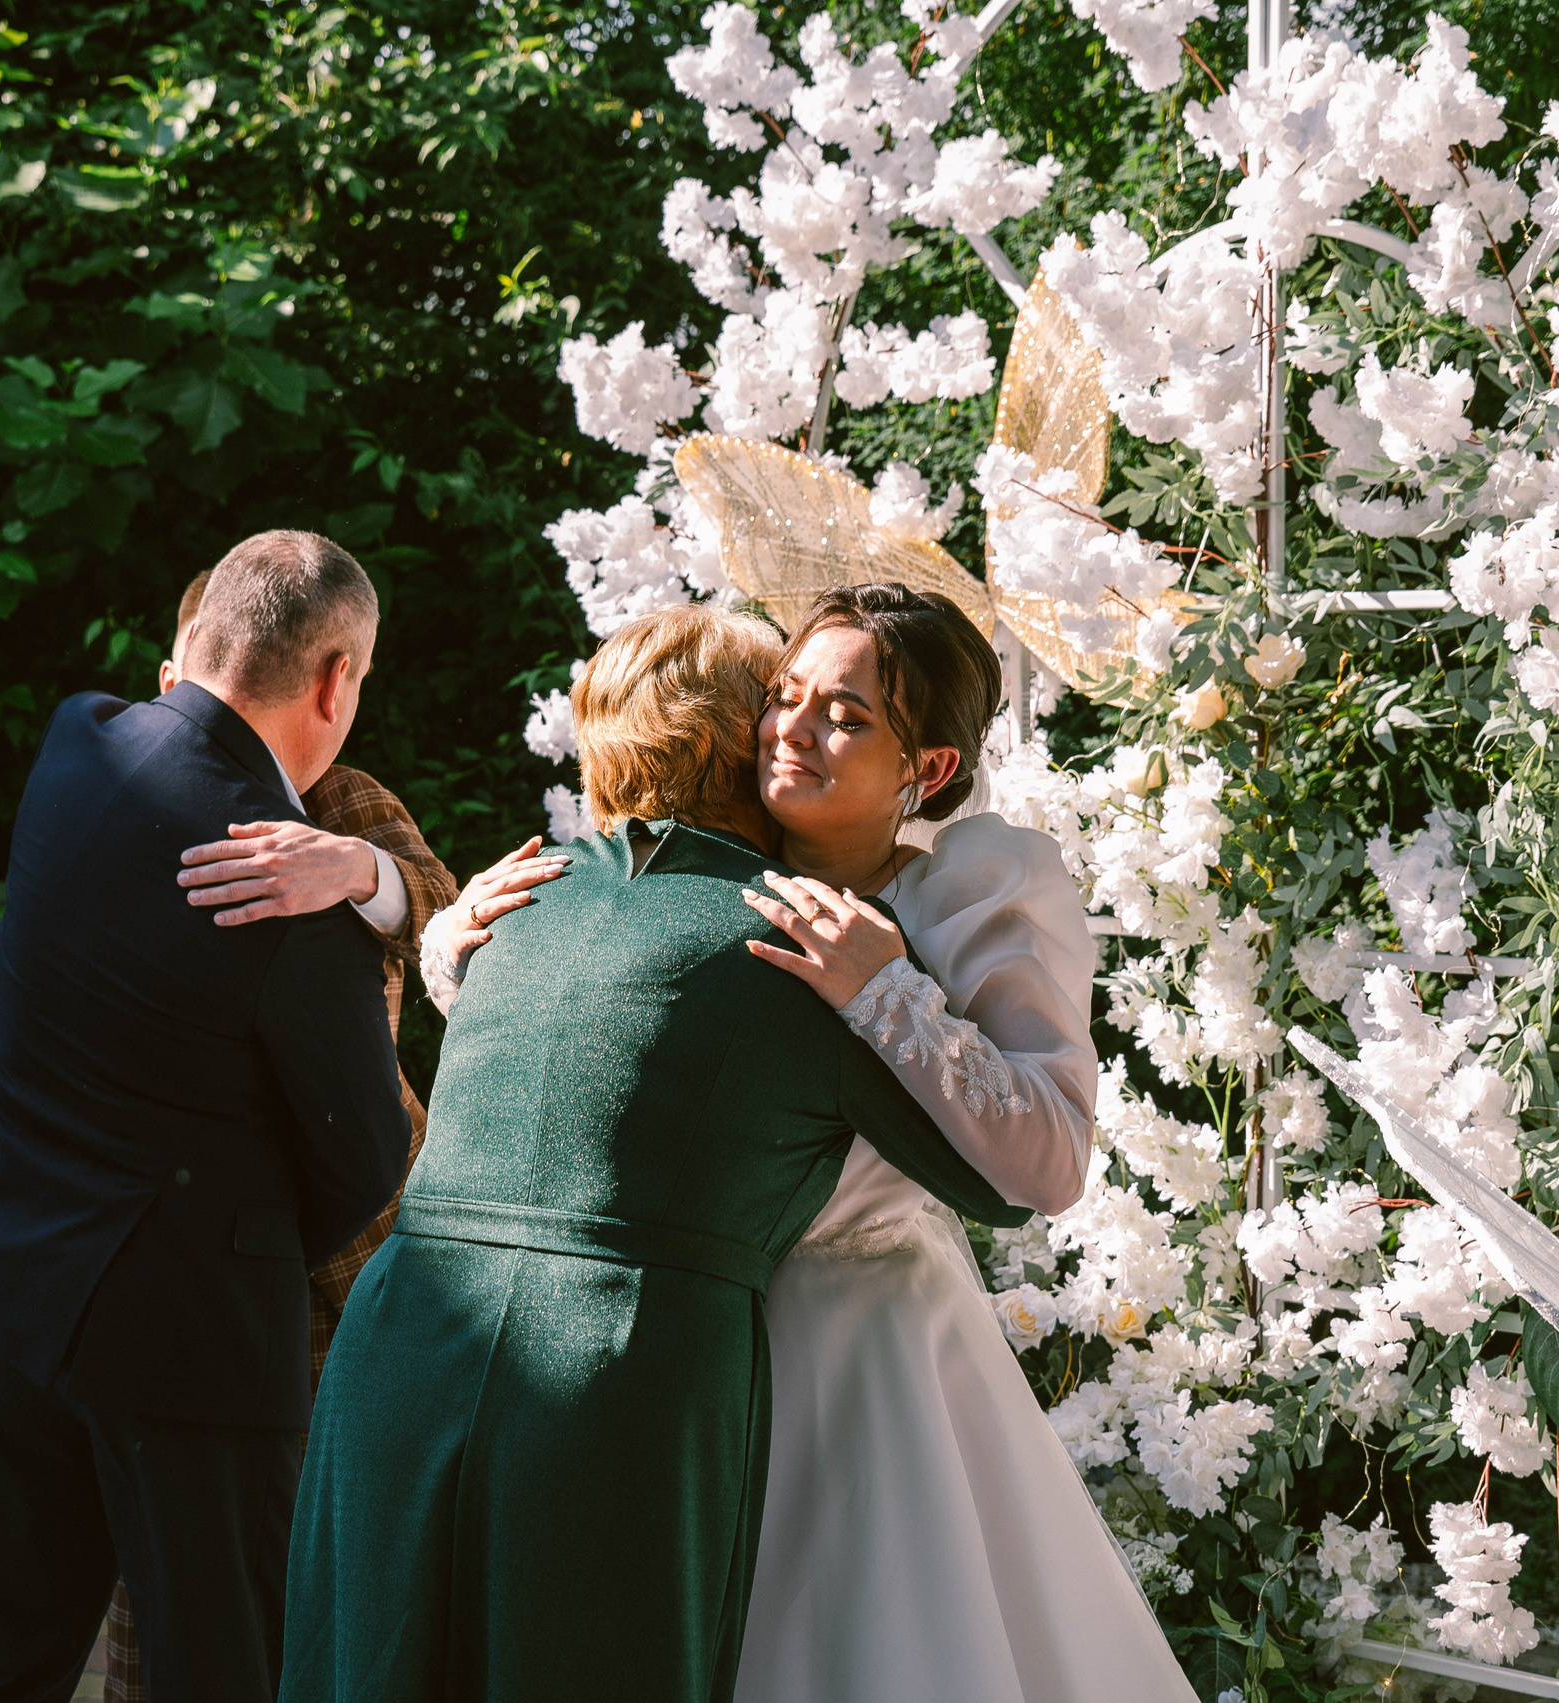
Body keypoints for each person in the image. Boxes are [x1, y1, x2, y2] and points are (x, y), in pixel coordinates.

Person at [426, 583, 1195, 1701]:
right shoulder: (695, 884)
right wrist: (458, 940)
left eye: (846, 716)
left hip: (856, 1344)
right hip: (684, 1346)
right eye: (786, 697)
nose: (791, 728)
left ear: (924, 770)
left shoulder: (970, 892)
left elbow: (1051, 1161)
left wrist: (886, 992)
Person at [277, 603, 1029, 1703]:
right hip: (613, 1374)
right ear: (741, 743)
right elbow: (999, 1178)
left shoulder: (514, 901)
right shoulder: (802, 937)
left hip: (397, 1342)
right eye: (777, 700)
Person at [0, 531, 415, 1703]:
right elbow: (364, 1160)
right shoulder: (280, 881)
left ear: (190, 647)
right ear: (335, 679)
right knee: (224, 1674)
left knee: (4, 1656)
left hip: (5, 1290)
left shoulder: (75, 745)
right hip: (189, 1344)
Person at [95, 568, 470, 1703]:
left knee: (356, 1551)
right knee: (188, 1595)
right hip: (203, 1253)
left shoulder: (346, 799)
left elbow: (446, 915)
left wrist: (358, 871)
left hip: (370, 1249)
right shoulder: (125, 812)